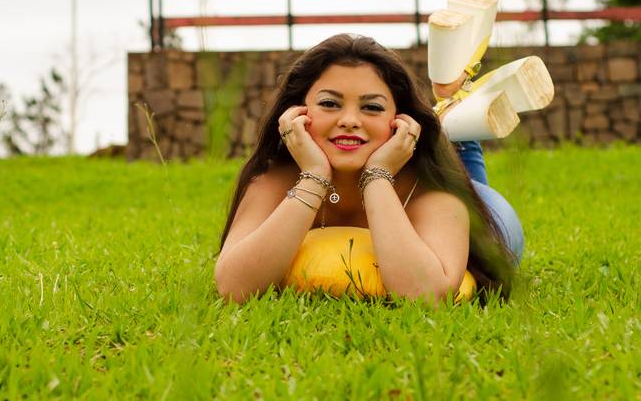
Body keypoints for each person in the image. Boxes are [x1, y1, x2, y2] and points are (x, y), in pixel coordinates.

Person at [214, 33, 520, 304]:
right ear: (295, 112)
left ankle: (455, 120)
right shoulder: (273, 181)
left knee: (468, 173)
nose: (349, 120)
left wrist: (377, 177)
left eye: (372, 107)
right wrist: (314, 177)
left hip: (490, 210)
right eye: (330, 104)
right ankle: (448, 111)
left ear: (400, 120)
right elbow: (234, 287)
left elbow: (426, 296)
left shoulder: (434, 190)